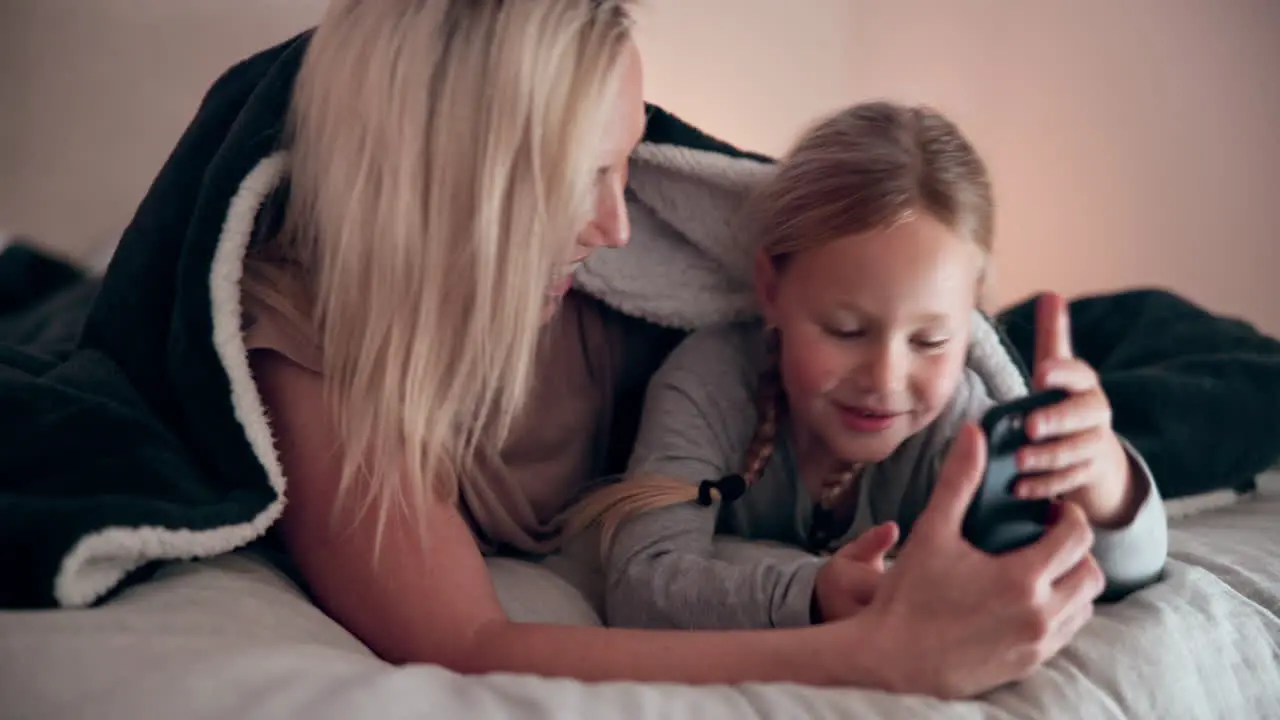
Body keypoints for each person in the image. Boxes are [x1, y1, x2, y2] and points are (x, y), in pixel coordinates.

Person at [217, 0, 1139, 699]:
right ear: (461, 183)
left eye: (632, 164)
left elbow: (863, 293)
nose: (620, 227)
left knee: (1152, 363)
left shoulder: (638, 293)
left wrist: (1106, 482)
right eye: (584, 179)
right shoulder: (313, 355)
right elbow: (468, 645)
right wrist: (874, 656)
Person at [569, 101, 1167, 654]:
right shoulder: (708, 384)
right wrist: (811, 592)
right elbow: (642, 581)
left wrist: (1107, 482)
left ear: (970, 323)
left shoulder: (963, 424)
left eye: (930, 340)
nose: (885, 378)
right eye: (846, 330)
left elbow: (1110, 569)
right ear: (772, 289)